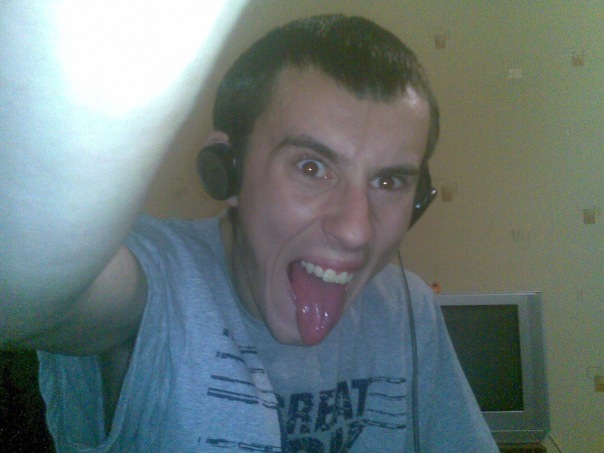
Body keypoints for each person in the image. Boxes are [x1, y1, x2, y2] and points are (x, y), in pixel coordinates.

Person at [1, 5, 498, 452]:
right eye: (311, 168)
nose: (356, 231)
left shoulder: (408, 309)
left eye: (389, 181)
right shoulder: (162, 287)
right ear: (228, 169)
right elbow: (21, 298)